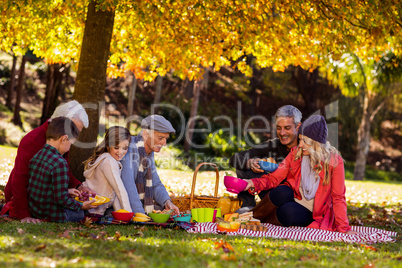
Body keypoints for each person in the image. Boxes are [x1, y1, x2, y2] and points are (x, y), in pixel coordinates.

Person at [243, 115, 359, 234]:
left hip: (314, 212)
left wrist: (344, 228)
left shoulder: (334, 162)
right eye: (300, 139)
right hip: (295, 197)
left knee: (288, 212)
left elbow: (338, 197)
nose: (300, 145)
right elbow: (275, 177)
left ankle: (259, 222)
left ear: (316, 144)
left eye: (305, 141)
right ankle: (250, 217)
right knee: (282, 191)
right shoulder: (296, 153)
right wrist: (252, 183)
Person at [2, 100, 95, 223]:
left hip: (45, 200)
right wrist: (24, 214)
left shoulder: (58, 143)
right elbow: (20, 180)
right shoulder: (32, 140)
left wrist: (79, 186)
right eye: (73, 129)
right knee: (78, 213)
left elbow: (63, 171)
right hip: (26, 200)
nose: (74, 136)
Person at [229, 105, 302, 212]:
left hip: (294, 197)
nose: (282, 133)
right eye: (278, 128)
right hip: (272, 190)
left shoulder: (305, 146)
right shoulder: (274, 145)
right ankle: (247, 207)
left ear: (297, 126)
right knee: (242, 165)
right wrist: (250, 162)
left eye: (287, 128)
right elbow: (235, 158)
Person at [27, 117, 96, 222]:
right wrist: (81, 205)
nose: (70, 147)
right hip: (52, 214)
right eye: (71, 143)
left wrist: (67, 191)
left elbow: (43, 187)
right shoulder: (60, 162)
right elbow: (60, 199)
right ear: (64, 139)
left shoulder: (38, 155)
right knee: (80, 214)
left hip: (35, 210)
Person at [121, 115, 180, 215]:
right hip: (116, 202)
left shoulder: (147, 153)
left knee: (162, 208)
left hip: (131, 201)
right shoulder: (129, 149)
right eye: (160, 138)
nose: (164, 143)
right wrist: (141, 215)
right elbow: (128, 187)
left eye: (166, 138)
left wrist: (167, 201)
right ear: (145, 135)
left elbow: (155, 183)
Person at [82, 126, 132, 215]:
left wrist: (120, 214)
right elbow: (120, 190)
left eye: (124, 148)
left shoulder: (107, 159)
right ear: (108, 145)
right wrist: (129, 214)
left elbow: (114, 192)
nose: (121, 152)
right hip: (89, 210)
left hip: (94, 210)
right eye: (116, 147)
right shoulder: (109, 162)